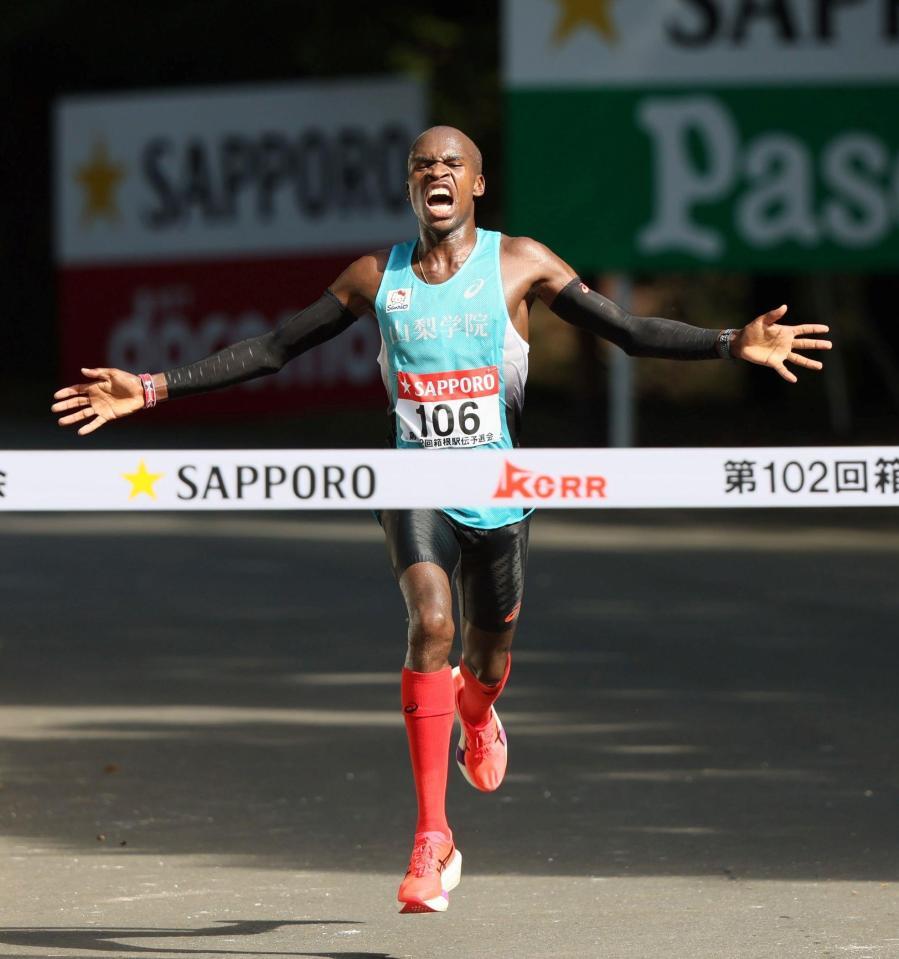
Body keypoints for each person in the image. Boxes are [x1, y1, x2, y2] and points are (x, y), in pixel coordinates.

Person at [52, 126, 831, 914]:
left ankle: (478, 709)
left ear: (477, 185)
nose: (437, 172)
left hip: (500, 493)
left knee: (485, 660)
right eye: (423, 163)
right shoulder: (373, 275)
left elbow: (625, 331)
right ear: (408, 186)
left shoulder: (520, 261)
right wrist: (152, 388)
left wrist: (731, 341)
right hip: (411, 482)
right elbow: (274, 348)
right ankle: (433, 835)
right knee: (430, 623)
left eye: (452, 163)